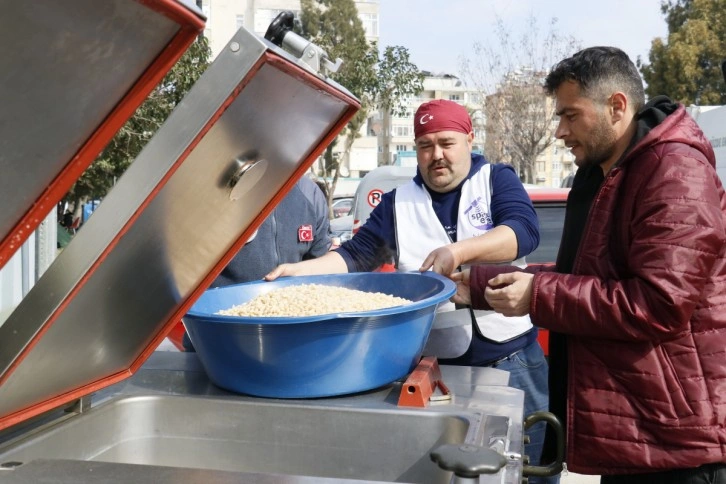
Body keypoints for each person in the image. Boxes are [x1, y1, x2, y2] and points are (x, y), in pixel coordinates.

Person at [450, 46, 726, 483]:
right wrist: (479, 285)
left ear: (617, 106)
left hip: (677, 445)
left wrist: (537, 296)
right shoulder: (607, 174)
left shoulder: (675, 172)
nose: (559, 131)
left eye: (570, 115)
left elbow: (659, 304)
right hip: (635, 432)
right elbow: (582, 281)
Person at [266, 100, 555, 483]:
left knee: (524, 469)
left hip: (512, 362)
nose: (436, 155)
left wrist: (457, 252)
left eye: (447, 143)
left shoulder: (497, 180)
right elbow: (356, 255)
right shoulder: (398, 202)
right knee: (448, 475)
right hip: (439, 373)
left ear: (469, 140)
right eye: (425, 145)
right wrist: (299, 271)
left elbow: (522, 232)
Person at [182, 176, 331, 350]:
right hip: (217, 339)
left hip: (290, 345)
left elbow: (320, 274)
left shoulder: (308, 193)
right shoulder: (215, 186)